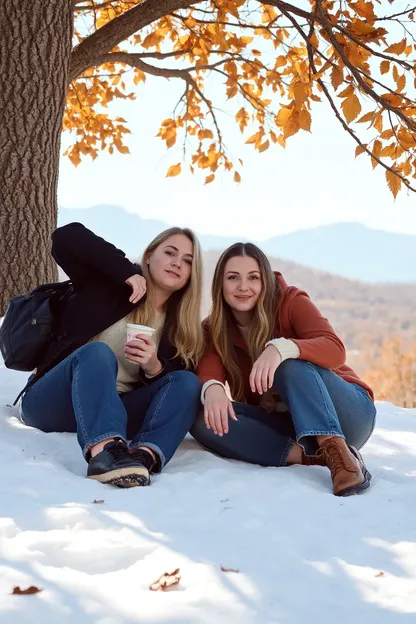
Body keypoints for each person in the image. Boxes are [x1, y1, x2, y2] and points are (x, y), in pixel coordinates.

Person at [20, 222, 204, 488]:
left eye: (187, 261)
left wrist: (154, 367)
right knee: (97, 352)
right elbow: (66, 237)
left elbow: (176, 395)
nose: (177, 263)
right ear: (150, 255)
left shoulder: (183, 329)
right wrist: (126, 272)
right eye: (170, 253)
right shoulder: (108, 285)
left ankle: (143, 457)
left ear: (190, 274)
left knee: (187, 381)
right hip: (53, 401)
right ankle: (104, 454)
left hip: (116, 410)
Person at [191, 242, 376, 497]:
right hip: (293, 426)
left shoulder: (290, 301)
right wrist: (211, 387)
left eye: (253, 277)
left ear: (264, 281)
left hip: (347, 416)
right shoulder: (214, 329)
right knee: (205, 419)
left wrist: (281, 348)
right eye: (233, 277)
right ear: (220, 285)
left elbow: (335, 349)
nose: (243, 286)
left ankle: (339, 455)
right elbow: (208, 371)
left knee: (289, 365)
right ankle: (313, 457)